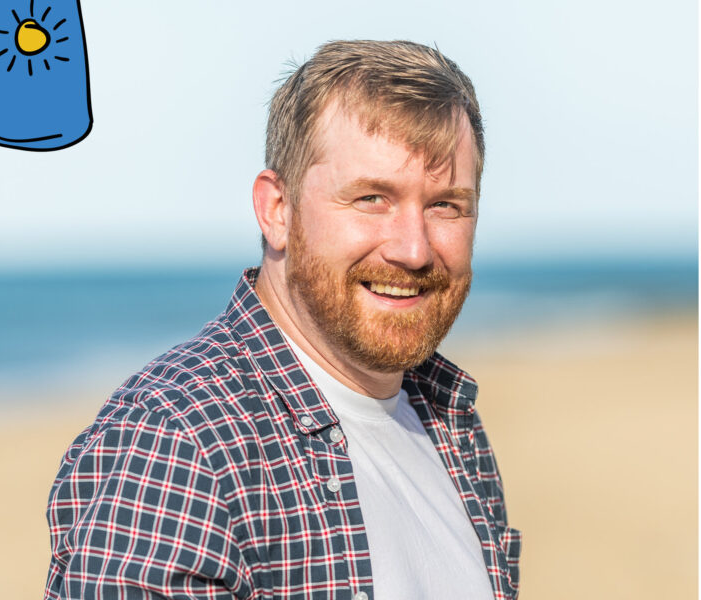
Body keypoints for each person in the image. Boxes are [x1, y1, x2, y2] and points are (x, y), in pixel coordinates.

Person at [44, 40, 521, 600]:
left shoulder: (446, 422)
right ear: (278, 210)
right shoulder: (180, 442)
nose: (413, 249)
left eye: (446, 205)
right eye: (372, 198)